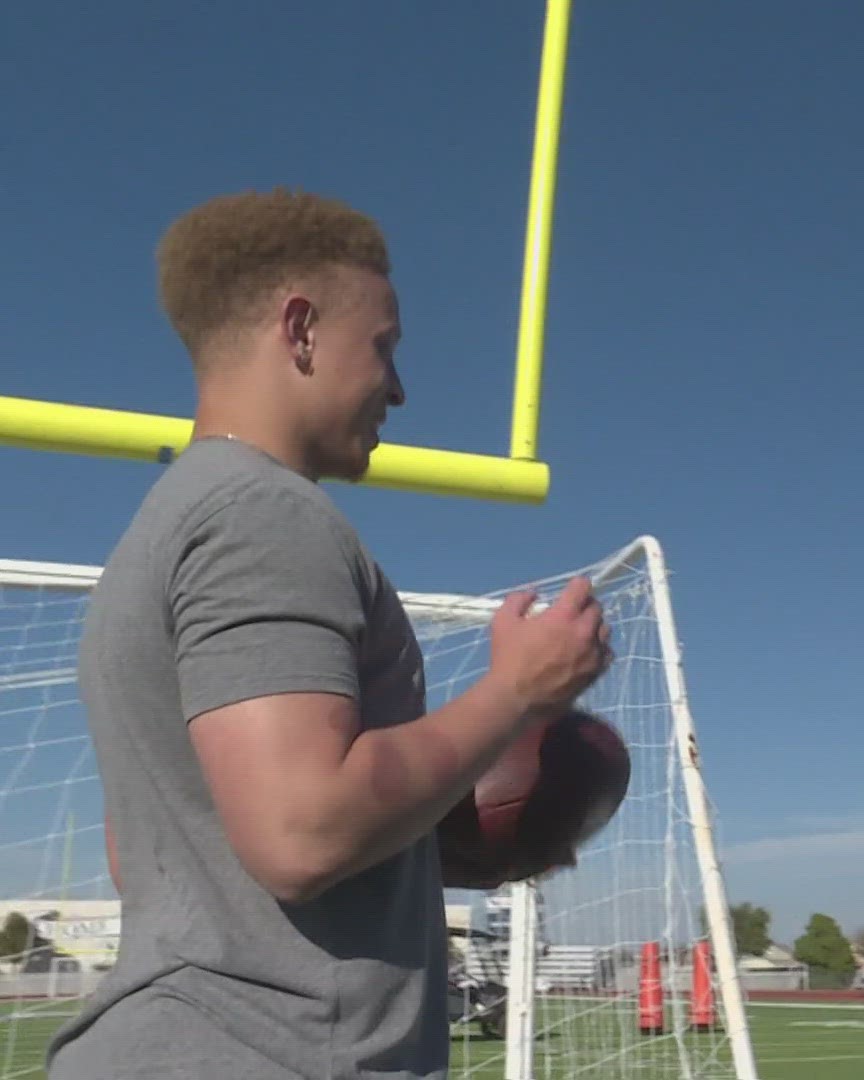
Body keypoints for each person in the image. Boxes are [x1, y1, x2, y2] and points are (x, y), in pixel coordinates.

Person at [45, 189, 612, 1080]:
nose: (397, 386)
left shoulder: (153, 541)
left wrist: (441, 843)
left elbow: (154, 859)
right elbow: (300, 834)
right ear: (301, 329)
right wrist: (516, 696)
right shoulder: (265, 515)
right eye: (383, 347)